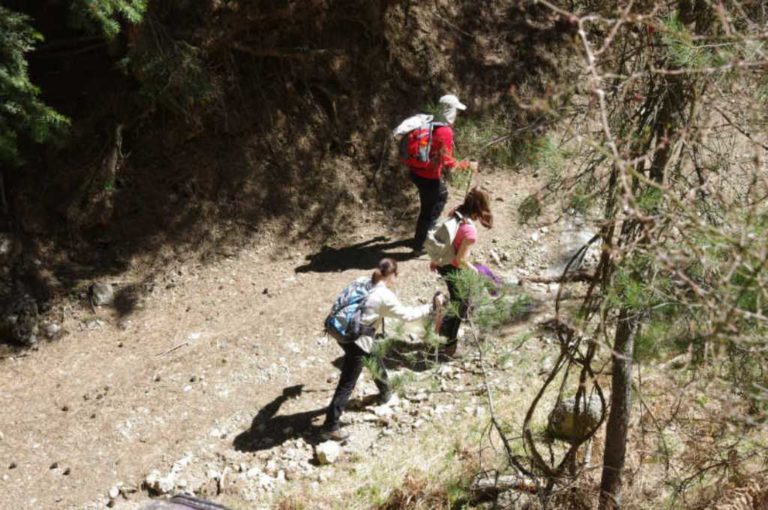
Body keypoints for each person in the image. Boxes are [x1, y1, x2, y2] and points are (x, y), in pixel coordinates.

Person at [322, 258, 443, 440]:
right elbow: (408, 315)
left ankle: (385, 392)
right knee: (347, 383)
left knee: (372, 354)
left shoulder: (362, 281)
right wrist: (431, 306)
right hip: (357, 339)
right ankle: (330, 426)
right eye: (396, 276)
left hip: (341, 332)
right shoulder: (383, 296)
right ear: (392, 275)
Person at [407, 94, 477, 253]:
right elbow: (447, 161)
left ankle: (428, 228)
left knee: (442, 194)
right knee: (428, 211)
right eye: (456, 111)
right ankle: (419, 246)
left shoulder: (427, 121)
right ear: (451, 111)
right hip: (428, 176)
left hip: (415, 171)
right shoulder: (444, 131)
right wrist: (467, 165)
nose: (457, 114)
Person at [431, 187, 494, 357]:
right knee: (460, 305)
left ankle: (442, 330)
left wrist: (435, 259)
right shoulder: (470, 230)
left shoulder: (456, 212)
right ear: (481, 207)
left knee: (460, 301)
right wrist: (475, 270)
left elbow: (445, 238)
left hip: (442, 262)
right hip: (453, 267)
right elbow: (460, 260)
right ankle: (448, 344)